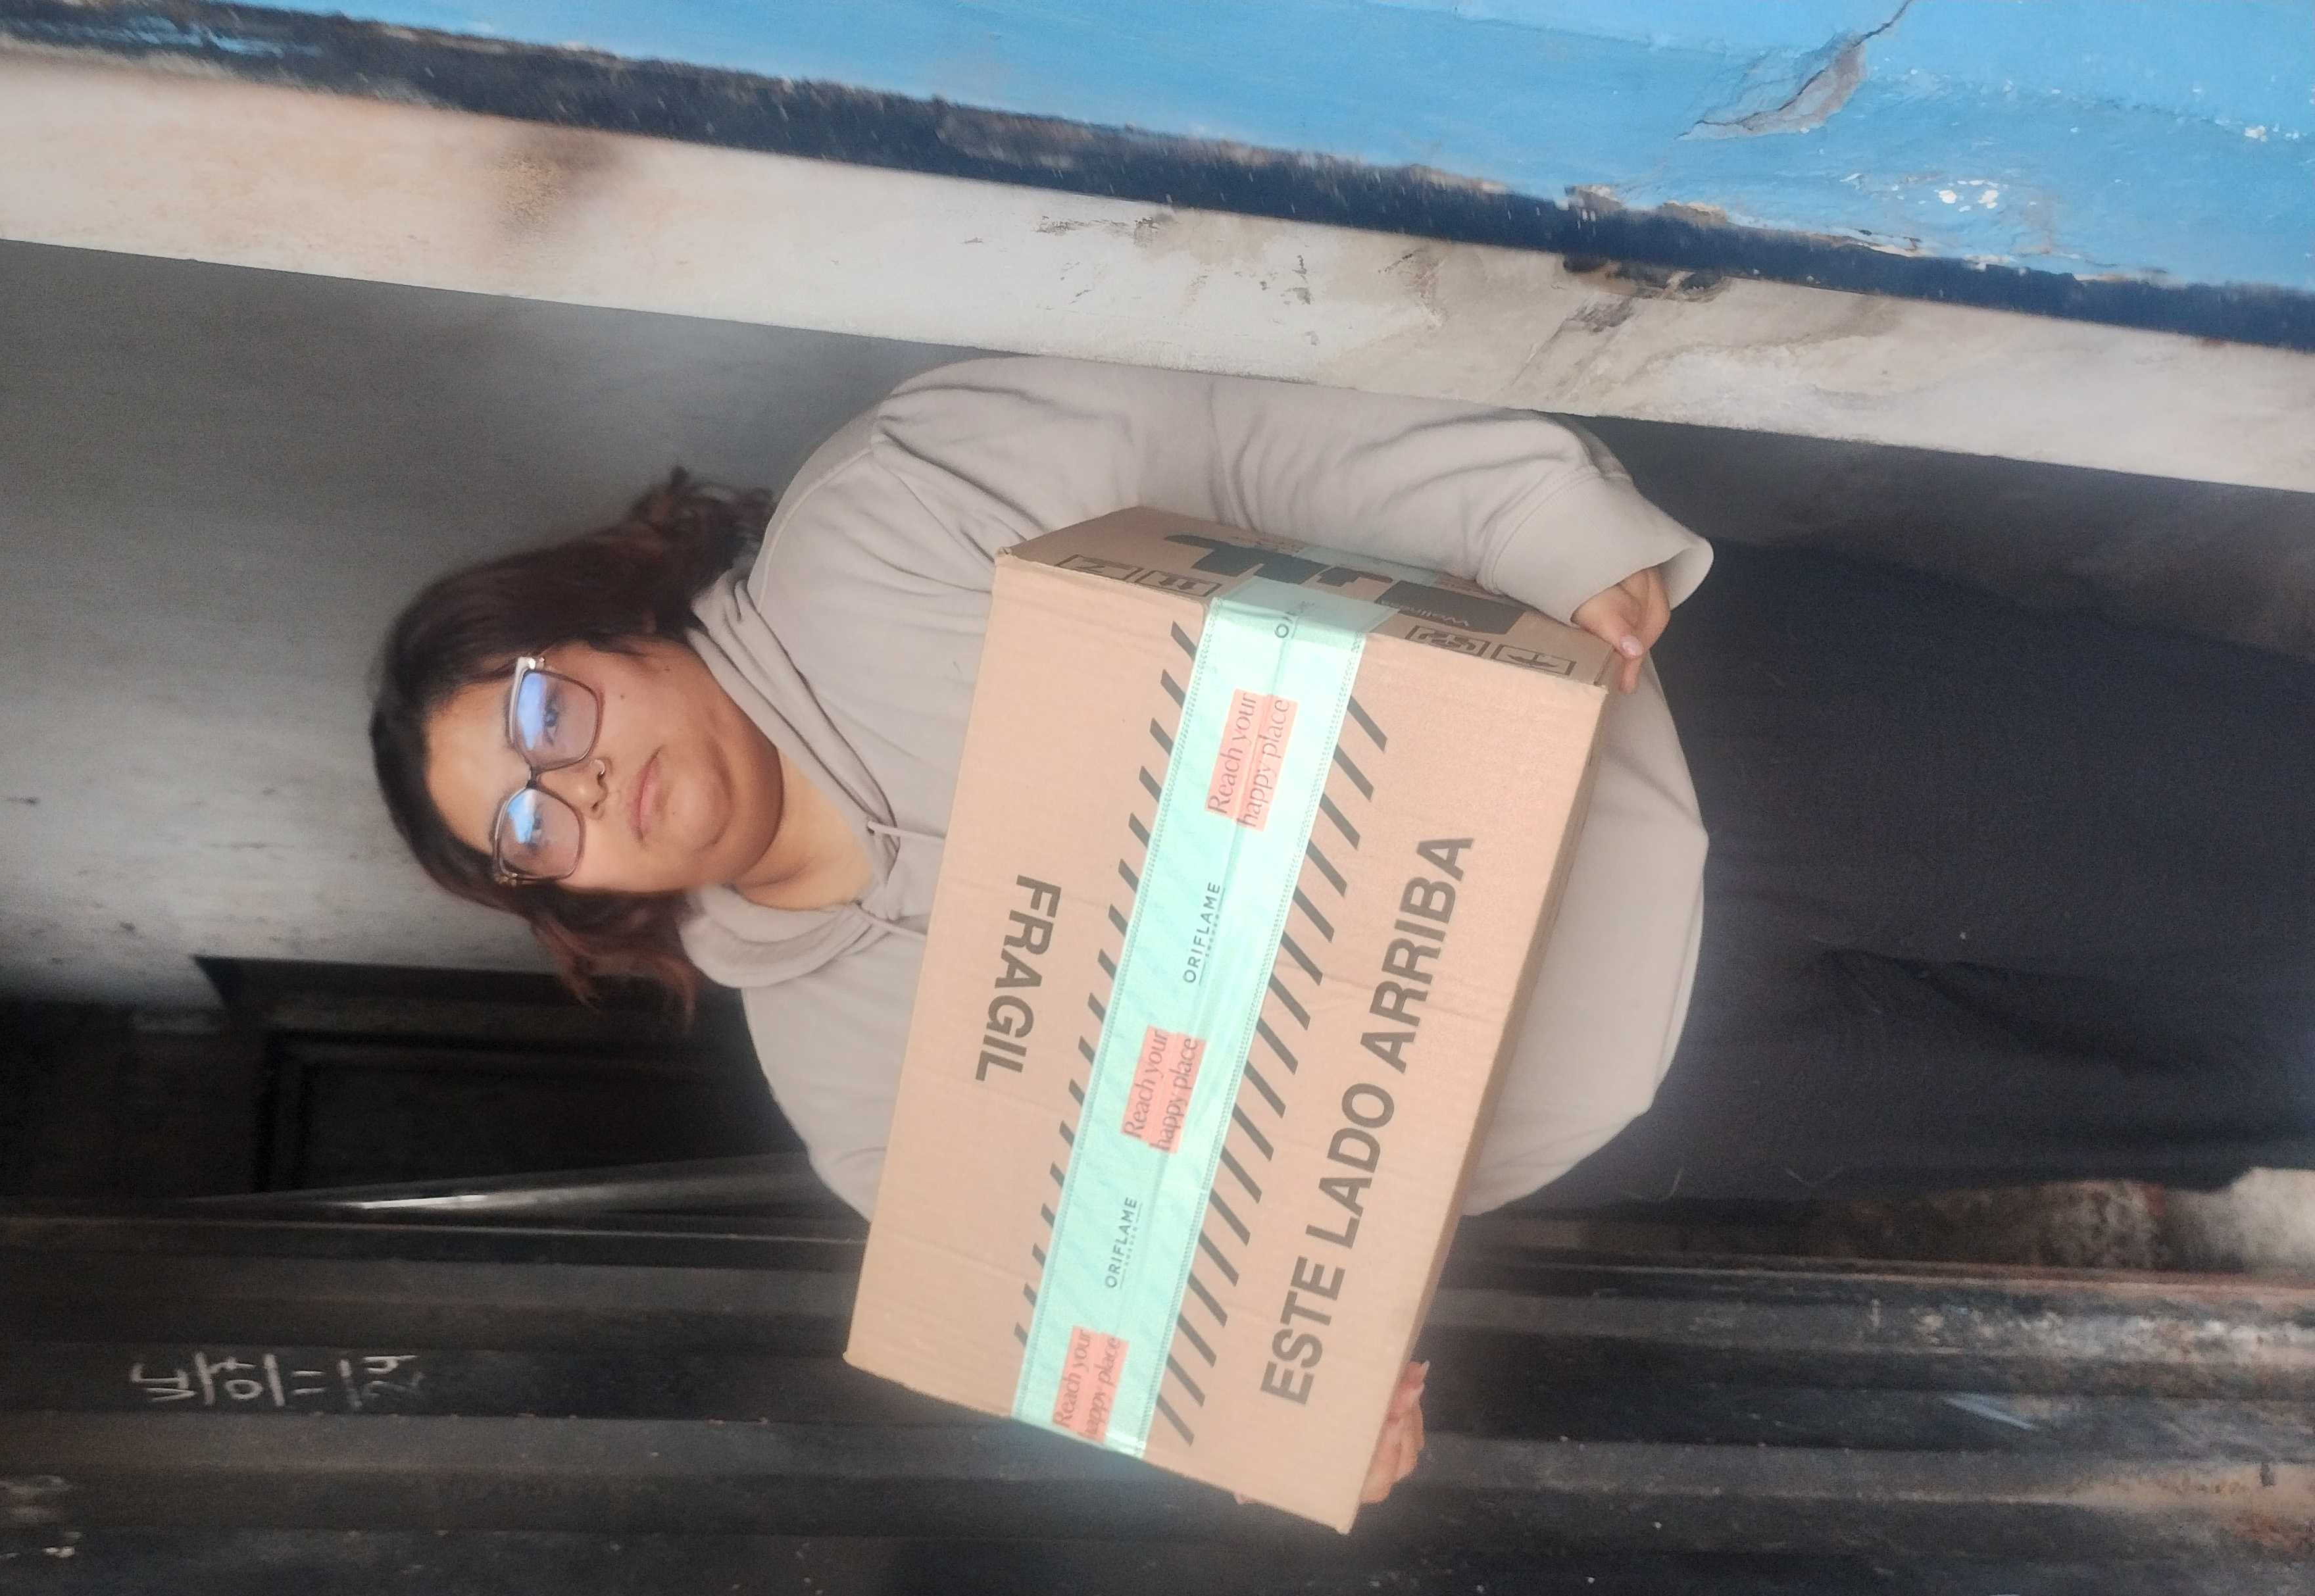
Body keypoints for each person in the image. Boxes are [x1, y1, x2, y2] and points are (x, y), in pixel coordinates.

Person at [372, 357, 2315, 1503]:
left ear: (605, 624)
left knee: (2265, 816)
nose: (580, 783)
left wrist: (1549, 527)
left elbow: (1243, 431)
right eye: (528, 831)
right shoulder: (846, 1090)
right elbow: (1138, 1296)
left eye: (542, 712)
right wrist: (1270, 1406)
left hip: (1711, 743)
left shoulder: (881, 524)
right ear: (575, 903)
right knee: (2236, 1075)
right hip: (1695, 1089)